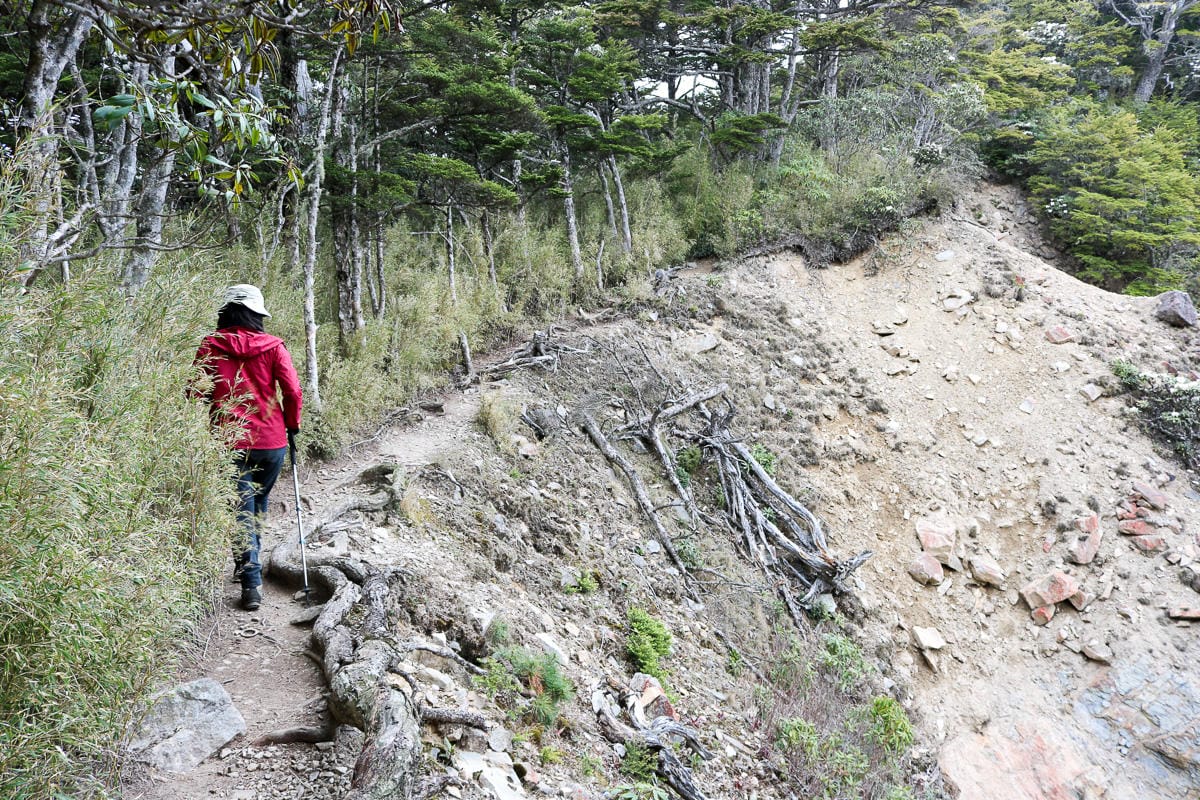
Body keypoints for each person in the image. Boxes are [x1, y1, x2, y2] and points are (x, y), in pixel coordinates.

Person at [192, 284, 302, 611]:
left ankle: (249, 576)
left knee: (239, 507)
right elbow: (293, 391)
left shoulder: (211, 346)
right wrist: (292, 424)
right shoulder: (274, 347)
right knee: (257, 502)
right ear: (257, 314)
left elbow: (194, 391)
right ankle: (250, 567)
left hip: (229, 441)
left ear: (226, 312)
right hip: (271, 441)